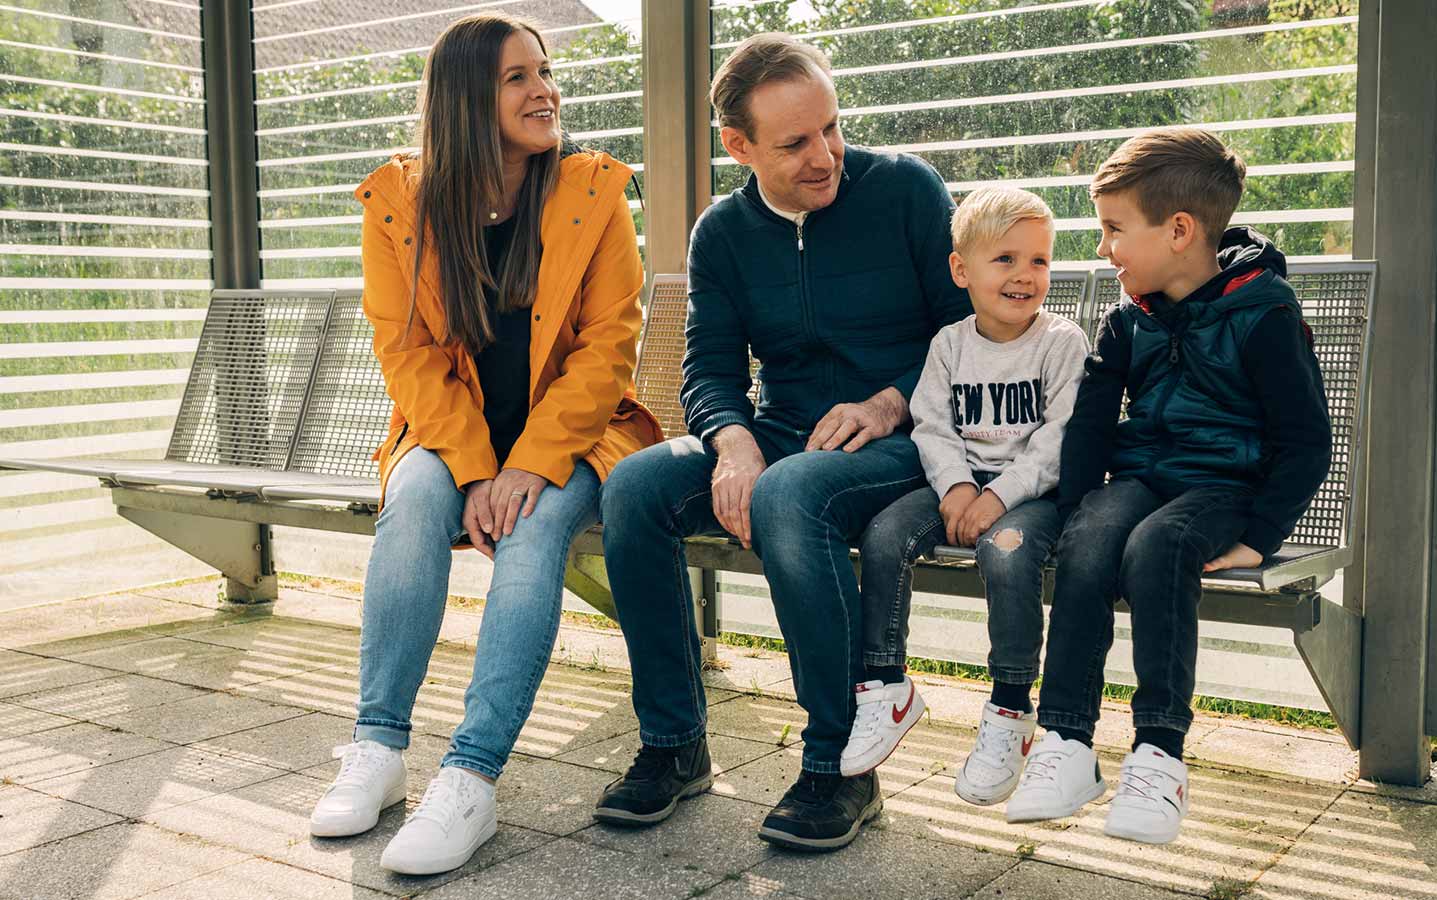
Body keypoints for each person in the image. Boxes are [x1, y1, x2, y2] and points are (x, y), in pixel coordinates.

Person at [592, 33, 971, 852]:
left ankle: (840, 765)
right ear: (741, 147)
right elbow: (709, 368)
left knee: (791, 491)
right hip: (783, 431)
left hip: (912, 437)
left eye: (831, 128)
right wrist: (730, 442)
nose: (825, 155)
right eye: (795, 142)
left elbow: (970, 335)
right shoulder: (723, 233)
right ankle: (673, 743)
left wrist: (891, 402)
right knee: (633, 487)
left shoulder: (906, 189)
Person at [307, 13, 660, 875]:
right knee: (415, 496)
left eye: (544, 71)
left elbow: (609, 346)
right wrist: (472, 470)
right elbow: (408, 352)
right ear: (467, 97)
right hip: (452, 434)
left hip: (573, 438)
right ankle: (379, 748)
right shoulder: (400, 203)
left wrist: (528, 465)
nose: (545, 90)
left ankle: (471, 778)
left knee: (534, 529)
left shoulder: (591, 191)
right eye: (517, 78)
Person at [1009, 127, 1332, 842]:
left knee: (1158, 547)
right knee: (1091, 541)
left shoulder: (1263, 314)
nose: (1103, 250)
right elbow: (1091, 423)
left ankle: (1159, 755)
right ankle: (1065, 743)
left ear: (1180, 230)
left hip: (1226, 490)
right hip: (1144, 477)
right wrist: (1073, 507)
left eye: (1114, 230)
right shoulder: (1130, 317)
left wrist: (1259, 537)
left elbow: (1307, 440)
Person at [841, 188, 1089, 810]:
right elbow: (929, 423)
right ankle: (886, 684)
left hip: (1032, 497)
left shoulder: (1061, 343)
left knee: (1005, 556)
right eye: (1005, 259)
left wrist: (998, 497)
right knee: (884, 536)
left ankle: (1010, 709)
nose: (1025, 276)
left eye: (1039, 260)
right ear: (962, 271)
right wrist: (955, 486)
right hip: (958, 486)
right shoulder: (949, 345)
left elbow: (1062, 438)